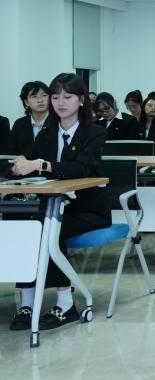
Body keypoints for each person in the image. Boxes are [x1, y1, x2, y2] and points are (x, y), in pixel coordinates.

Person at [8, 73, 110, 331]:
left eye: (68, 97)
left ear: (82, 100)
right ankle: (27, 303)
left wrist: (40, 165)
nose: (60, 103)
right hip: (51, 209)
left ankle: (66, 303)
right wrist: (18, 166)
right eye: (55, 97)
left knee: (47, 230)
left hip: (87, 211)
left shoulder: (94, 132)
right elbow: (26, 161)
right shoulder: (47, 133)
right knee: (24, 225)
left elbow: (82, 167)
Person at [10, 81, 49, 155]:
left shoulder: (57, 122)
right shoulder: (19, 124)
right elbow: (12, 153)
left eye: (44, 95)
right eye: (34, 96)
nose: (40, 100)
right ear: (26, 102)